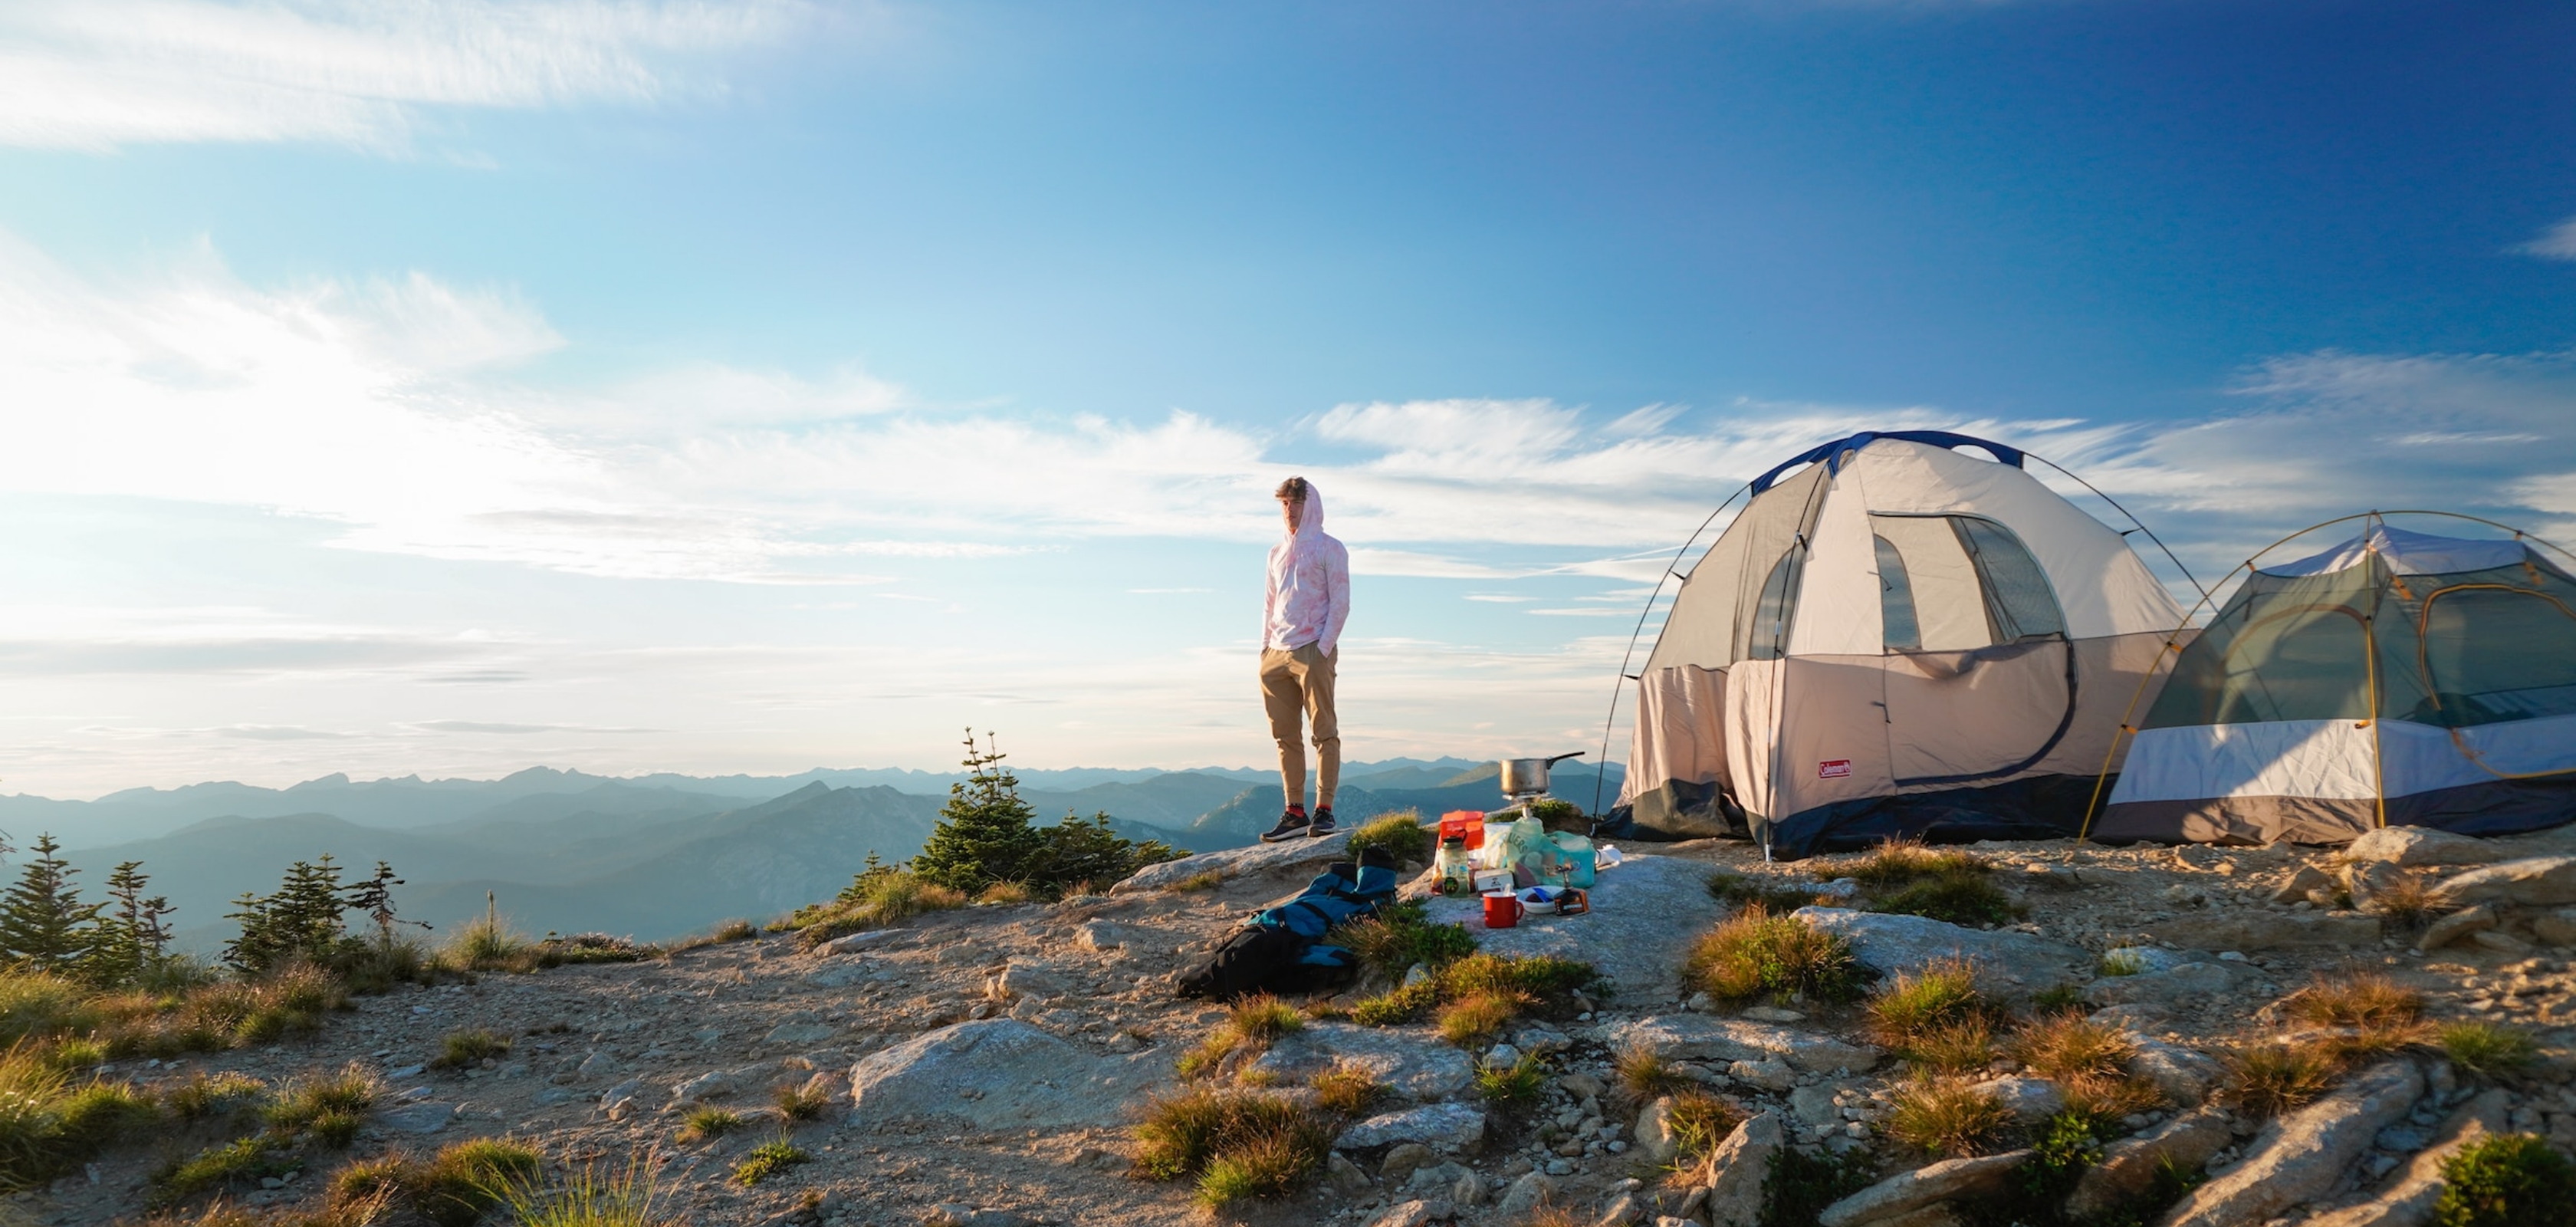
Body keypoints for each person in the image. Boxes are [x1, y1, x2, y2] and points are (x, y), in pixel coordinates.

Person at [1259, 475, 1349, 842]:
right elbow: (1269, 603)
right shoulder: (1275, 553)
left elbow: (1341, 601)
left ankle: (1323, 811)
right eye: (1284, 504)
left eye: (1296, 503)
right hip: (1276, 654)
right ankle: (1295, 812)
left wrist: (1323, 648)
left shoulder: (1330, 548)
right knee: (1285, 736)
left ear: (1310, 505)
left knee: (1323, 732)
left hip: (1313, 647)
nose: (1289, 511)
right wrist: (1265, 648)